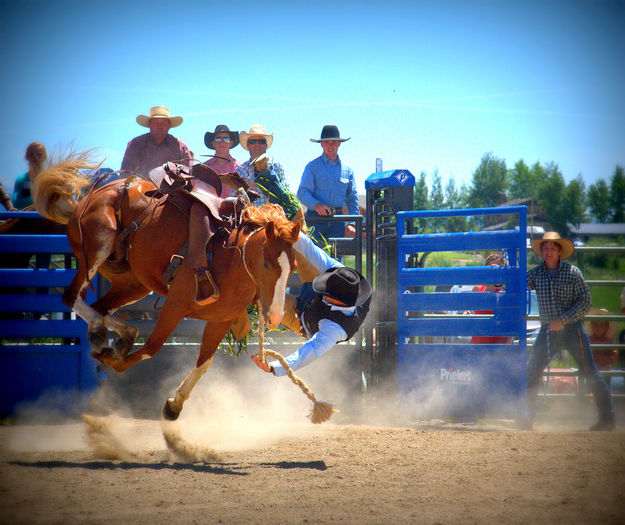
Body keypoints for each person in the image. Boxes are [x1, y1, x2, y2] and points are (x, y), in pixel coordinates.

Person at [522, 231, 615, 431]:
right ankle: (526, 417)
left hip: (573, 330)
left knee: (590, 371)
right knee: (532, 370)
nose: (548, 252)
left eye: (552, 248)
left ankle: (607, 418)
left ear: (559, 251)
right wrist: (500, 276)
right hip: (548, 330)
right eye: (545, 248)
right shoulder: (536, 274)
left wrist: (562, 320)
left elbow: (585, 302)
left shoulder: (573, 273)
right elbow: (518, 283)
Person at [251, 232, 371, 376]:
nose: (324, 287)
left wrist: (272, 367)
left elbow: (307, 353)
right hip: (313, 299)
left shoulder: (333, 329)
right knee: (296, 248)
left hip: (299, 318)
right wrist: (289, 231)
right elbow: (312, 251)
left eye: (326, 291)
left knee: (261, 297)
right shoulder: (344, 277)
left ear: (339, 301)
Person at [297, 125, 359, 245]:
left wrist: (352, 223)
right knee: (314, 260)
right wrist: (316, 205)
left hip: (338, 220)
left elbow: (352, 198)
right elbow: (302, 192)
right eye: (327, 142)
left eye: (333, 142)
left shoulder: (348, 170)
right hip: (315, 220)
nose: (330, 146)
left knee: (336, 258)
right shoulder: (312, 167)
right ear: (321, 144)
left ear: (339, 144)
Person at [236, 124, 301, 223]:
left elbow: (286, 194)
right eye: (253, 141)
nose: (257, 144)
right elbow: (234, 199)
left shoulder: (277, 166)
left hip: (275, 220)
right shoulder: (240, 171)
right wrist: (245, 190)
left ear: (266, 145)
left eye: (261, 141)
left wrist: (259, 187)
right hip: (250, 221)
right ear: (248, 146)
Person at [121, 105, 192, 178]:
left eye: (164, 123)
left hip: (173, 188)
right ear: (149, 125)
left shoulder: (180, 146)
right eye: (155, 122)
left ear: (169, 125)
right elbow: (126, 172)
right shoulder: (136, 144)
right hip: (141, 187)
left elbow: (188, 173)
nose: (160, 126)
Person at [469, 252, 511, 344]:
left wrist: (507, 347)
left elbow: (509, 323)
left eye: (495, 267)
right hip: (478, 341)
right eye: (490, 267)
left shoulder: (504, 293)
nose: (492, 270)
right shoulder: (477, 288)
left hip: (496, 344)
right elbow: (472, 310)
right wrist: (468, 312)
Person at [202, 124, 241, 199]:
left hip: (233, 209)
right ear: (213, 143)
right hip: (210, 208)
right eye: (218, 139)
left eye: (226, 139)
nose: (222, 142)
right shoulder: (204, 168)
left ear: (231, 143)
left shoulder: (239, 167)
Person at [12, 142, 47, 209]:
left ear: (44, 157)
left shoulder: (50, 179)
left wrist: (27, 199)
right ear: (27, 157)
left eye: (39, 155)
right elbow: (16, 203)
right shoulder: (21, 180)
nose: (35, 158)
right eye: (32, 155)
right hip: (27, 218)